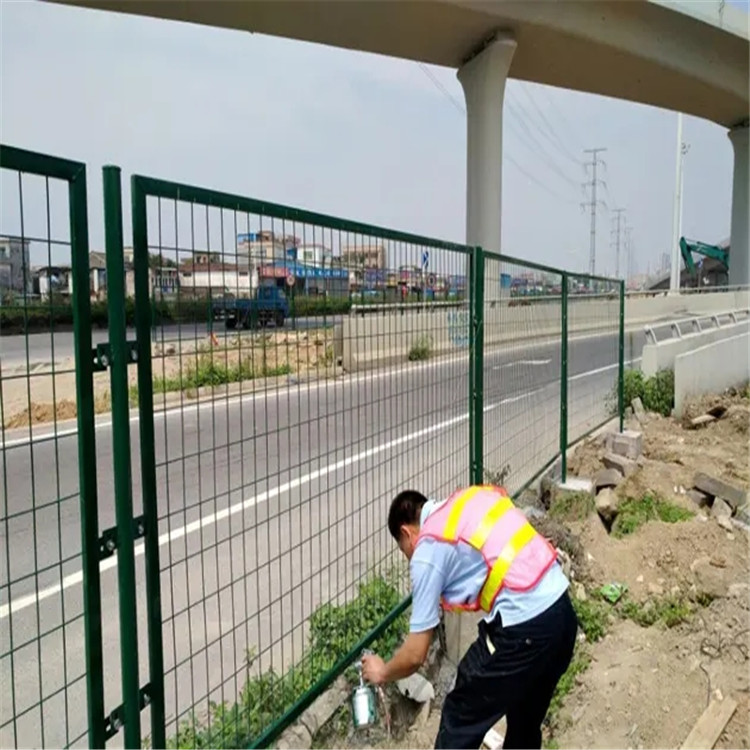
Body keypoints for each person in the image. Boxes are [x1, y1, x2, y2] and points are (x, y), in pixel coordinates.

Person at [361, 486, 578, 749]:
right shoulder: (469, 501)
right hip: (562, 616)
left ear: (407, 533)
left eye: (404, 549)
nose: (409, 558)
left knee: (460, 716)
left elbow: (416, 654)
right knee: (525, 719)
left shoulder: (428, 548)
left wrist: (382, 671)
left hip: (524, 629)